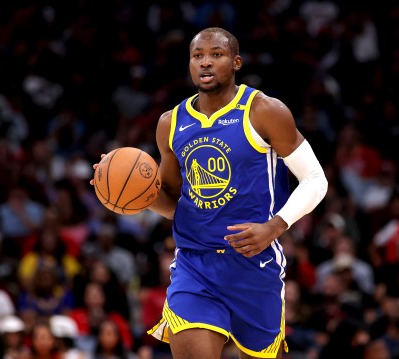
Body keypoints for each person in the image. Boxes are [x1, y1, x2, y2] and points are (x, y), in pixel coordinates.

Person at [91, 27, 328, 358]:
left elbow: (316, 179)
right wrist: (123, 190)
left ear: (236, 62)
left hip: (254, 264)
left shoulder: (264, 111)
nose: (205, 63)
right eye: (197, 56)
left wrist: (274, 227)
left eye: (216, 55)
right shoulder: (170, 123)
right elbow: (172, 203)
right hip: (195, 263)